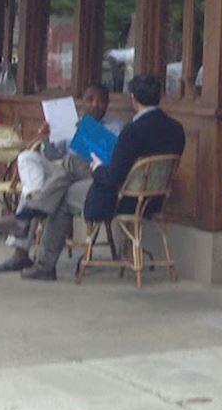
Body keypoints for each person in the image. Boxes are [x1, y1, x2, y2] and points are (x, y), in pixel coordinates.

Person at [20, 76, 187, 281]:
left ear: (133, 99)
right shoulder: (177, 129)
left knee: (64, 195)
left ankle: (44, 261)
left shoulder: (132, 132)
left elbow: (112, 177)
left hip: (121, 198)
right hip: (155, 198)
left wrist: (98, 167)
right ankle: (35, 211)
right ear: (160, 97)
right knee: (71, 163)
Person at [0, 83, 125, 273]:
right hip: (61, 175)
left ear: (107, 104)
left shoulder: (115, 126)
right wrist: (46, 138)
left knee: (71, 161)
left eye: (101, 101)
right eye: (90, 100)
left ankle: (24, 224)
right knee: (27, 158)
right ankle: (35, 196)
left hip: (88, 174)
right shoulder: (70, 122)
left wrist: (86, 135)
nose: (95, 105)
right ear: (82, 102)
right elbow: (52, 155)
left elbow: (109, 158)